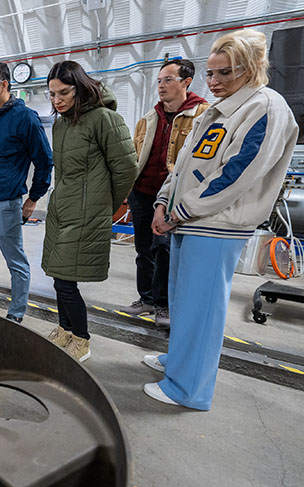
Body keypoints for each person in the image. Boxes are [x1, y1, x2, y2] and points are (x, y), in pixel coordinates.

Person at [143, 29, 298, 410]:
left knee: (202, 308)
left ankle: (188, 389)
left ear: (251, 68)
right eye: (210, 73)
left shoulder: (265, 107)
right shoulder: (219, 109)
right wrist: (163, 202)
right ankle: (178, 362)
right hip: (189, 220)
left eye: (224, 73)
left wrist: (180, 210)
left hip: (217, 224)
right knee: (183, 303)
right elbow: (183, 164)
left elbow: (236, 173)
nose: (213, 81)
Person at [42, 61, 138, 362]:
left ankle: (81, 339)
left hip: (86, 212)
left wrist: (104, 205)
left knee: (66, 281)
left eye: (64, 93)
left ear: (80, 88)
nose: (57, 100)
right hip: (62, 209)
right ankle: (65, 329)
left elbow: (127, 168)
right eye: (52, 94)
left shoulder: (104, 119)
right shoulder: (60, 124)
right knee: (58, 275)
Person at [123, 59, 209, 328]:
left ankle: (164, 304)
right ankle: (147, 298)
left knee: (164, 249)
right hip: (143, 192)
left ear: (186, 82)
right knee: (143, 249)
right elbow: (136, 156)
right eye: (159, 81)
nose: (161, 86)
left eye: (168, 80)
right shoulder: (149, 119)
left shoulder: (202, 115)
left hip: (173, 196)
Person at [0, 61, 53, 323]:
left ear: (4, 85)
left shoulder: (25, 118)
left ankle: (16, 311)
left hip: (5, 202)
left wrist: (34, 198)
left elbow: (44, 160)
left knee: (15, 259)